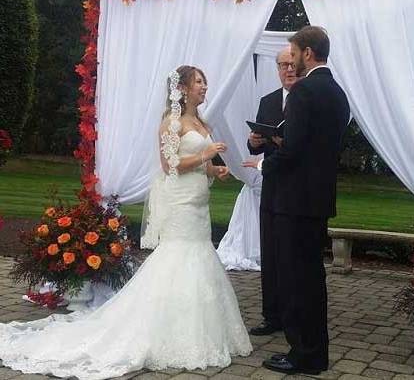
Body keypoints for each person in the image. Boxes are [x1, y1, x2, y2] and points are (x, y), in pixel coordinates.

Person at [0, 65, 253, 379]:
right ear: (183, 89)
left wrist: (216, 170)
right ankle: (162, 328)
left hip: (198, 202)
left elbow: (199, 164)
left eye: (204, 82)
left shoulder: (200, 121)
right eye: (199, 82)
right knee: (179, 257)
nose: (205, 87)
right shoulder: (170, 123)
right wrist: (206, 156)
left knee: (200, 253)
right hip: (180, 203)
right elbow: (169, 164)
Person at [252, 26, 350, 375]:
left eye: (293, 54)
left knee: (295, 281)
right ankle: (315, 353)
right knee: (312, 279)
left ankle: (302, 354)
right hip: (319, 199)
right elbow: (321, 147)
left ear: (308, 53)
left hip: (293, 202)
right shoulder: (338, 93)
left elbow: (292, 150)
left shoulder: (303, 91)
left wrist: (266, 162)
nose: (291, 61)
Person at [246, 46, 297, 336]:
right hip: (272, 188)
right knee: (270, 251)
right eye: (282, 65)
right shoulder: (267, 101)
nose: (287, 70)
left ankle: (293, 315)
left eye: (291, 64)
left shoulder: (306, 99)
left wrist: (280, 143)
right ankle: (271, 315)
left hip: (297, 187)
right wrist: (254, 142)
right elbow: (257, 146)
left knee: (292, 256)